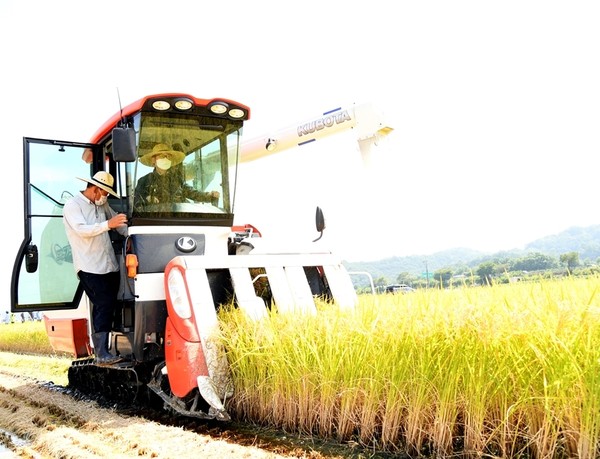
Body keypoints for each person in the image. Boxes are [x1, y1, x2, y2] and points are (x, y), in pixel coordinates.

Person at [63, 171, 128, 365]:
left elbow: (118, 224)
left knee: (109, 306)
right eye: (105, 193)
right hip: (89, 266)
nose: (106, 197)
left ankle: (109, 350)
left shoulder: (102, 204)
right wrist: (108, 224)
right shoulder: (73, 206)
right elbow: (82, 230)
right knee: (103, 304)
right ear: (96, 189)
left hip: (109, 265)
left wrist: (132, 234)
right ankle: (101, 354)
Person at [134, 143, 219, 208]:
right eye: (162, 156)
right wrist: (147, 199)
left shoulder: (177, 180)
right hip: (153, 224)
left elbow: (192, 193)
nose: (166, 159)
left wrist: (209, 196)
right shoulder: (144, 181)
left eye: (168, 156)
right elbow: (136, 202)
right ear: (153, 160)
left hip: (178, 221)